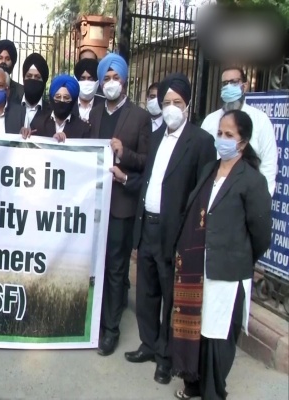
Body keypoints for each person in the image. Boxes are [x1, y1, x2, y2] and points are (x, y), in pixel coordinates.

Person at [123, 73, 217, 386]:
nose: (171, 108)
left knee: (170, 297)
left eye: (177, 102)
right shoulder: (157, 134)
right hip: (147, 226)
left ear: (188, 105)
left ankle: (165, 357)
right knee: (146, 293)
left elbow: (201, 193)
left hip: (173, 233)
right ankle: (148, 344)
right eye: (166, 103)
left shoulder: (201, 142)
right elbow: (149, 179)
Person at [172, 109, 272, 400]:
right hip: (196, 265)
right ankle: (193, 381)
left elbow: (261, 233)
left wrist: (240, 257)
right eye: (220, 133)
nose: (222, 140)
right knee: (195, 327)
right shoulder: (209, 170)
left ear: (243, 142)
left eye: (229, 135)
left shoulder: (251, 180)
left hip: (226, 270)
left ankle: (213, 392)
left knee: (217, 333)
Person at [88, 53, 150, 357]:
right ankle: (94, 322)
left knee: (115, 269)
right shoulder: (96, 113)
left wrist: (123, 154)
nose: (111, 83)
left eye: (116, 77)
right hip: (94, 204)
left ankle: (110, 330)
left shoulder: (139, 117)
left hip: (121, 206)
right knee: (94, 266)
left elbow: (146, 162)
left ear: (125, 80)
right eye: (107, 78)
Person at [200, 66, 277, 196]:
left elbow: (269, 165)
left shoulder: (260, 120)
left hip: (246, 195)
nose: (229, 86)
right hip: (212, 193)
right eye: (225, 83)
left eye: (234, 82)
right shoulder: (210, 120)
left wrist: (262, 199)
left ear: (245, 86)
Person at [32, 75, 90, 141]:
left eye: (66, 98)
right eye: (58, 97)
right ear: (51, 98)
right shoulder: (39, 124)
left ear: (73, 101)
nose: (62, 101)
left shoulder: (83, 128)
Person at [20, 53, 50, 132]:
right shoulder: (10, 108)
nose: (32, 80)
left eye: (37, 77)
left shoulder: (51, 113)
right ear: (23, 78)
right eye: (29, 76)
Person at [0, 39, 24, 104]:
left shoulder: (21, 91)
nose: (3, 62)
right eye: (0, 58)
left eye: (7, 59)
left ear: (12, 63)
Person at [72, 58, 104, 122]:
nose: (86, 82)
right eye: (82, 78)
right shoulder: (68, 103)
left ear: (97, 81)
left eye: (90, 79)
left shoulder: (104, 105)